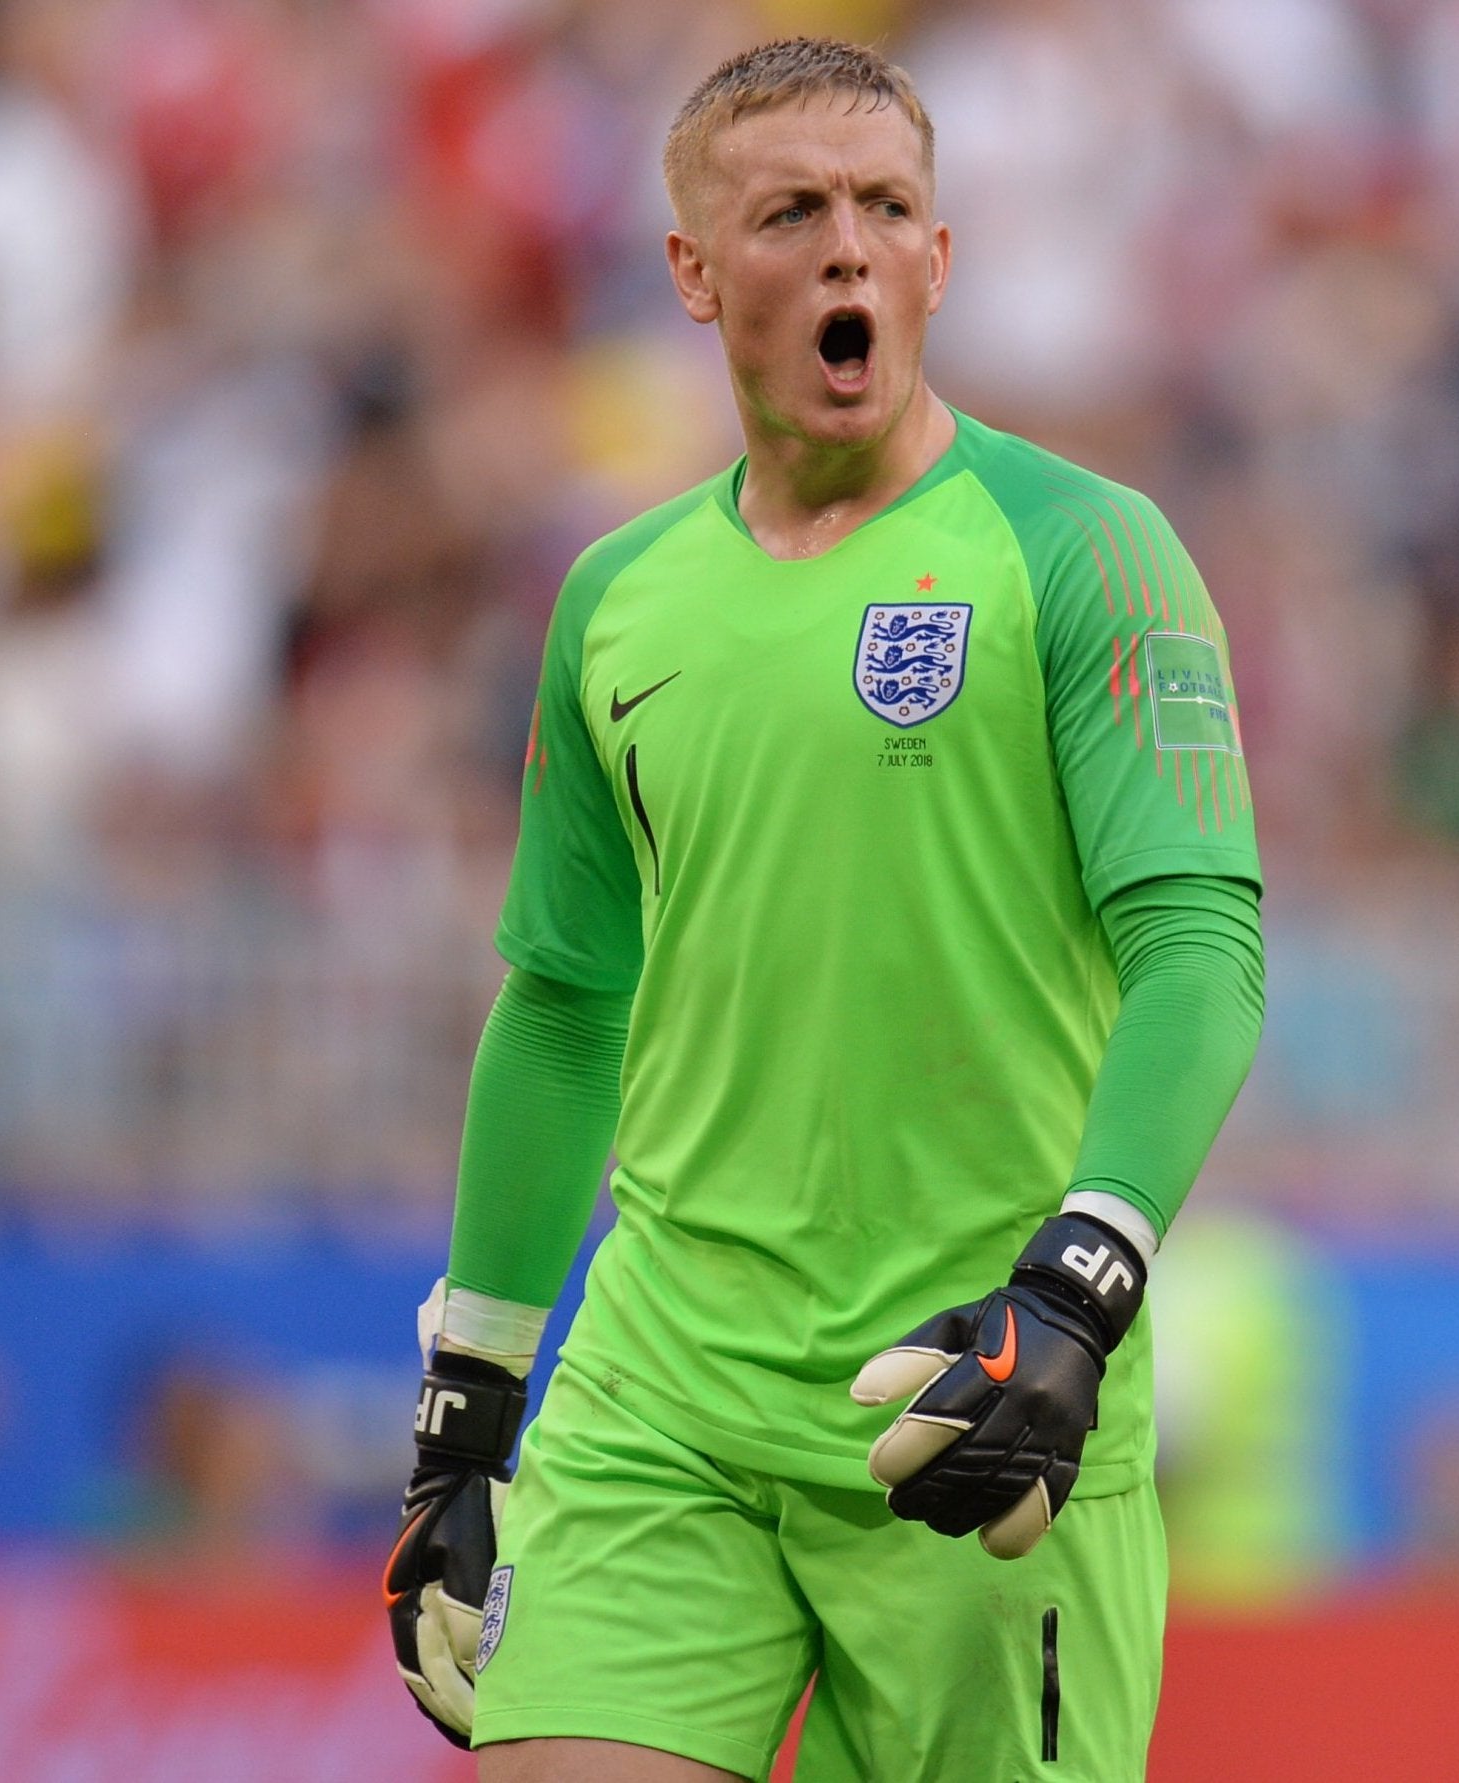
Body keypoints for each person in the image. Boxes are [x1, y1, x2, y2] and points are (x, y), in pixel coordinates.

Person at [385, 38, 1266, 1783]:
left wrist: (1075, 1291)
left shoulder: (1085, 550)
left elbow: (1200, 947)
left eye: (887, 209)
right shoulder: (616, 602)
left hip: (968, 1393)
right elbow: (564, 1003)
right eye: (791, 212)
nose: (849, 249)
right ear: (695, 276)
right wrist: (467, 1410)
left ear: (939, 258)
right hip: (665, 1394)